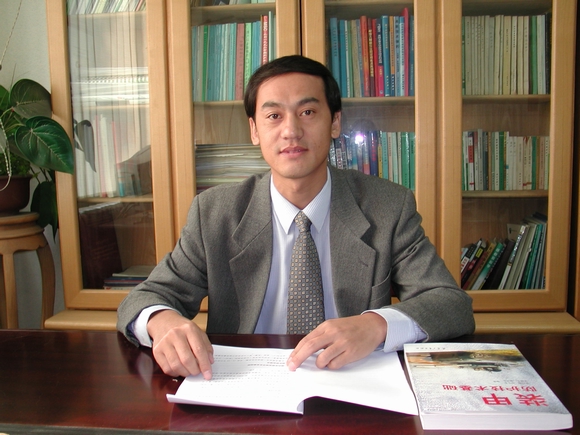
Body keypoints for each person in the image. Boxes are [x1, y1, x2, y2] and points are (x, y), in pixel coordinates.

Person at [117, 55, 475, 380]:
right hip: (242, 384)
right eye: (274, 116)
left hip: (352, 383)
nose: (291, 130)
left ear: (335, 122)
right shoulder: (215, 212)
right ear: (254, 130)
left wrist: (375, 325)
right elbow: (145, 297)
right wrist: (162, 321)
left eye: (307, 112)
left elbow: (450, 304)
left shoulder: (387, 207)